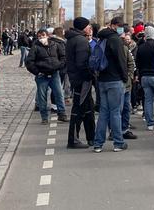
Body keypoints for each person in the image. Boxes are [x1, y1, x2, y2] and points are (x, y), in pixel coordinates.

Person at [93, 17, 130, 152]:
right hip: (115, 80)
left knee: (103, 112)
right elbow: (121, 61)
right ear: (114, 26)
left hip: (102, 79)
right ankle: (118, 142)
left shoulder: (102, 38)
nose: (122, 30)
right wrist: (125, 77)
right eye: (120, 26)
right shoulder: (115, 40)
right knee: (115, 112)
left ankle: (98, 144)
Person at [25, 29, 68, 124]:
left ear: (48, 35)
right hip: (42, 75)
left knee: (59, 94)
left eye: (43, 35)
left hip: (54, 73)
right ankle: (44, 117)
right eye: (39, 36)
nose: (41, 37)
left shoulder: (55, 45)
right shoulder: (35, 47)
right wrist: (37, 72)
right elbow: (29, 62)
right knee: (42, 97)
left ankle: (62, 114)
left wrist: (59, 66)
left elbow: (63, 57)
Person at [65, 17, 95, 149]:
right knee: (78, 108)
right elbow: (82, 63)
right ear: (83, 27)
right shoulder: (81, 41)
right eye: (88, 26)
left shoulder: (72, 39)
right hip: (82, 79)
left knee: (88, 108)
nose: (90, 28)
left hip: (76, 77)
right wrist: (90, 75)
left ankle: (92, 137)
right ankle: (73, 139)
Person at [120, 29, 138, 140]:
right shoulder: (110, 48)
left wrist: (130, 76)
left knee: (126, 108)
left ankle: (125, 129)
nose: (125, 41)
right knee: (117, 109)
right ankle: (115, 131)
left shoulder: (125, 49)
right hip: (116, 83)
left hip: (126, 83)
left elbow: (131, 64)